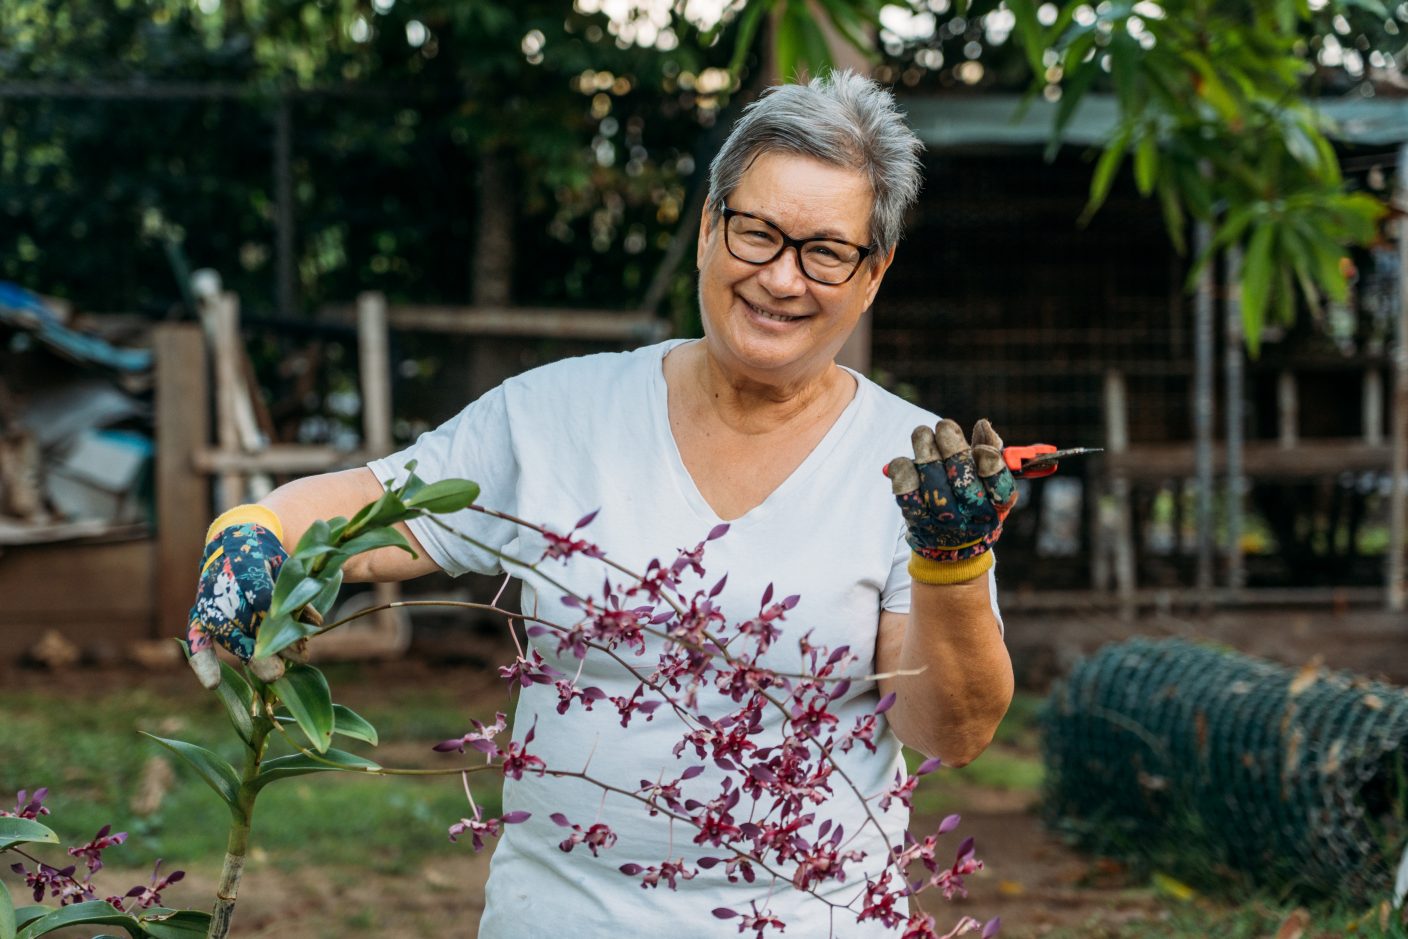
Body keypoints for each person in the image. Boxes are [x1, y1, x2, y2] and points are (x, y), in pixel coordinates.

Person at [186, 70, 1016, 937]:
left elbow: (949, 730)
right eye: (757, 233)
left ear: (872, 271)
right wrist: (255, 528)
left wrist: (950, 563)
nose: (780, 278)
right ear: (707, 229)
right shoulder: (556, 415)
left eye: (825, 251)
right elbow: (367, 512)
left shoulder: (918, 470)